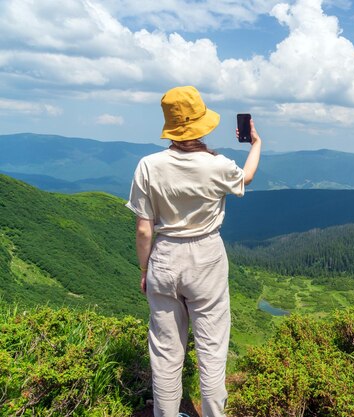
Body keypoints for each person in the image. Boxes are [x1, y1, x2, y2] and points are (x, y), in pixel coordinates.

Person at [125, 85, 261, 417]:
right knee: (212, 351)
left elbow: (144, 228)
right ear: (202, 122)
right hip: (206, 257)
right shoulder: (217, 165)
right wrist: (256, 143)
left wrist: (145, 271)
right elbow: (247, 177)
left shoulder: (148, 165)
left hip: (165, 257)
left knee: (166, 353)